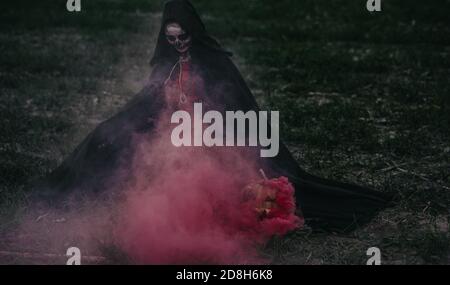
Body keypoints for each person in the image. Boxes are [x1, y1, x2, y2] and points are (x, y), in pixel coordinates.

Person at [35, 0, 391, 232]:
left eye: (184, 37)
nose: (179, 44)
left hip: (213, 141)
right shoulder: (165, 63)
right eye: (171, 38)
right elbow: (148, 104)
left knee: (243, 197)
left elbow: (238, 113)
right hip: (173, 140)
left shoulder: (216, 64)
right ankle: (69, 189)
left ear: (194, 33)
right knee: (108, 135)